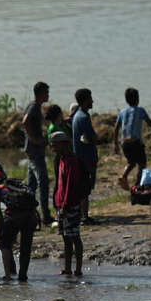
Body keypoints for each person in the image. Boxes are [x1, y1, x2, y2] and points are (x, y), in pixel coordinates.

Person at [0, 166, 39, 282]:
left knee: (5, 245)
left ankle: (7, 276)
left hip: (14, 217)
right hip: (31, 216)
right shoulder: (18, 185)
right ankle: (23, 276)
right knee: (25, 247)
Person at [113, 87, 151, 191]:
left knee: (131, 162)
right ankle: (137, 186)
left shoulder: (122, 112)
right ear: (137, 99)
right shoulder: (141, 110)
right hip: (136, 142)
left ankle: (123, 176)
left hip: (125, 143)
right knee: (142, 164)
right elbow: (150, 123)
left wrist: (115, 144)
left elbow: (116, 128)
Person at [52, 131, 85, 276]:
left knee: (75, 236)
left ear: (64, 144)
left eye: (55, 145)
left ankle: (78, 269)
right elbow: (60, 185)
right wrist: (58, 204)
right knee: (66, 237)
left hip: (70, 205)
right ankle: (67, 268)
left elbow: (71, 185)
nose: (53, 148)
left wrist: (64, 206)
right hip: (62, 204)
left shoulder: (72, 161)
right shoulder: (61, 159)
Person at [22, 81, 52, 221]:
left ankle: (28, 212)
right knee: (43, 182)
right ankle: (45, 215)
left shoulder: (34, 106)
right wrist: (35, 139)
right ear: (40, 93)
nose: (48, 95)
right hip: (35, 150)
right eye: (46, 92)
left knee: (31, 185)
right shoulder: (34, 106)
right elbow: (25, 122)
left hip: (33, 150)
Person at [70, 88, 98, 223]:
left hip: (81, 157)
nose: (92, 101)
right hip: (85, 158)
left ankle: (82, 214)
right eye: (90, 98)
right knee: (85, 187)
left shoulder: (78, 115)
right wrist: (95, 138)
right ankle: (84, 216)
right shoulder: (83, 117)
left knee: (83, 186)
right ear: (85, 100)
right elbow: (88, 137)